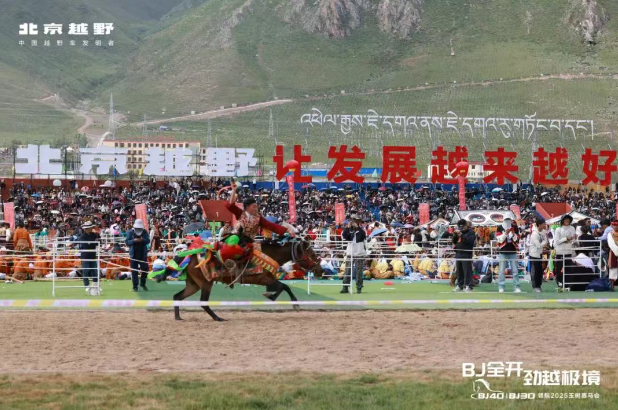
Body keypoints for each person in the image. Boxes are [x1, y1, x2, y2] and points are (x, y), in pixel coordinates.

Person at [341, 214, 367, 294]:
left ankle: (359, 287)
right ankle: (345, 287)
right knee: (347, 270)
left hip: (359, 253)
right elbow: (345, 236)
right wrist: (348, 227)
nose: (353, 222)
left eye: (355, 221)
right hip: (350, 252)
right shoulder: (348, 230)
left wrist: (357, 227)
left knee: (359, 271)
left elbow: (362, 237)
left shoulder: (362, 230)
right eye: (352, 221)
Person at [496, 217, 521, 293]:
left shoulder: (514, 227)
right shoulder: (499, 227)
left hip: (513, 251)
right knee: (501, 271)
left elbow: (517, 240)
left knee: (515, 270)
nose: (508, 221)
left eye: (509, 220)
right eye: (506, 220)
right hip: (503, 251)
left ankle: (517, 286)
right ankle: (501, 286)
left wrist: (513, 234)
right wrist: (505, 233)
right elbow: (499, 240)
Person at [126, 219, 150, 292]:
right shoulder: (130, 232)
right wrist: (134, 240)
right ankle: (135, 286)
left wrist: (142, 240)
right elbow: (127, 242)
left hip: (142, 254)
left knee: (145, 269)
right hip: (133, 254)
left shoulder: (144, 232)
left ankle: (142, 283)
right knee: (134, 271)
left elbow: (148, 241)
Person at [452, 219, 475, 292]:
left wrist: (462, 235)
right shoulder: (459, 231)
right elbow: (454, 242)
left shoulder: (471, 232)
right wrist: (455, 235)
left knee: (467, 271)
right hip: (458, 253)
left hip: (466, 253)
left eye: (462, 227)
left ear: (466, 226)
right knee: (459, 271)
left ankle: (468, 286)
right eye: (459, 227)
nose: (461, 228)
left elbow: (470, 242)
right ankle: (459, 285)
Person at [553, 214, 576, 286]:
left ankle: (567, 284)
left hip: (568, 251)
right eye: (565, 219)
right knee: (559, 269)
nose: (567, 220)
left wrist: (572, 239)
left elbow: (574, 239)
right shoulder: (558, 229)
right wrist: (566, 239)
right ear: (562, 220)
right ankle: (559, 283)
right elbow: (557, 241)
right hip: (560, 252)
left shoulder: (572, 228)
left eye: (568, 219)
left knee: (569, 269)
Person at [78, 221, 100, 292]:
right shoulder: (82, 236)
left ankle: (96, 285)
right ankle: (86, 285)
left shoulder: (94, 234)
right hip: (85, 256)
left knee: (94, 270)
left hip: (92, 255)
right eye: (90, 227)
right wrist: (93, 243)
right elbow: (85, 245)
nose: (92, 228)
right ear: (86, 229)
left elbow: (98, 242)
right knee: (86, 271)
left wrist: (94, 241)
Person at [528, 218, 548, 293]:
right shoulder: (534, 234)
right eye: (543, 224)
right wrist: (543, 243)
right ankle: (535, 286)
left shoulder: (543, 232)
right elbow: (538, 245)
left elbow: (546, 241)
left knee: (540, 271)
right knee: (534, 271)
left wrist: (543, 243)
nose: (545, 225)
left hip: (539, 254)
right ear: (539, 225)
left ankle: (539, 286)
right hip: (533, 254)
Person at [607, 221, 618, 290]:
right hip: (614, 252)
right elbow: (611, 244)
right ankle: (612, 285)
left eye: (617, 225)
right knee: (613, 268)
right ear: (612, 226)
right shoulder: (610, 234)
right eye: (614, 225)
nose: (616, 227)